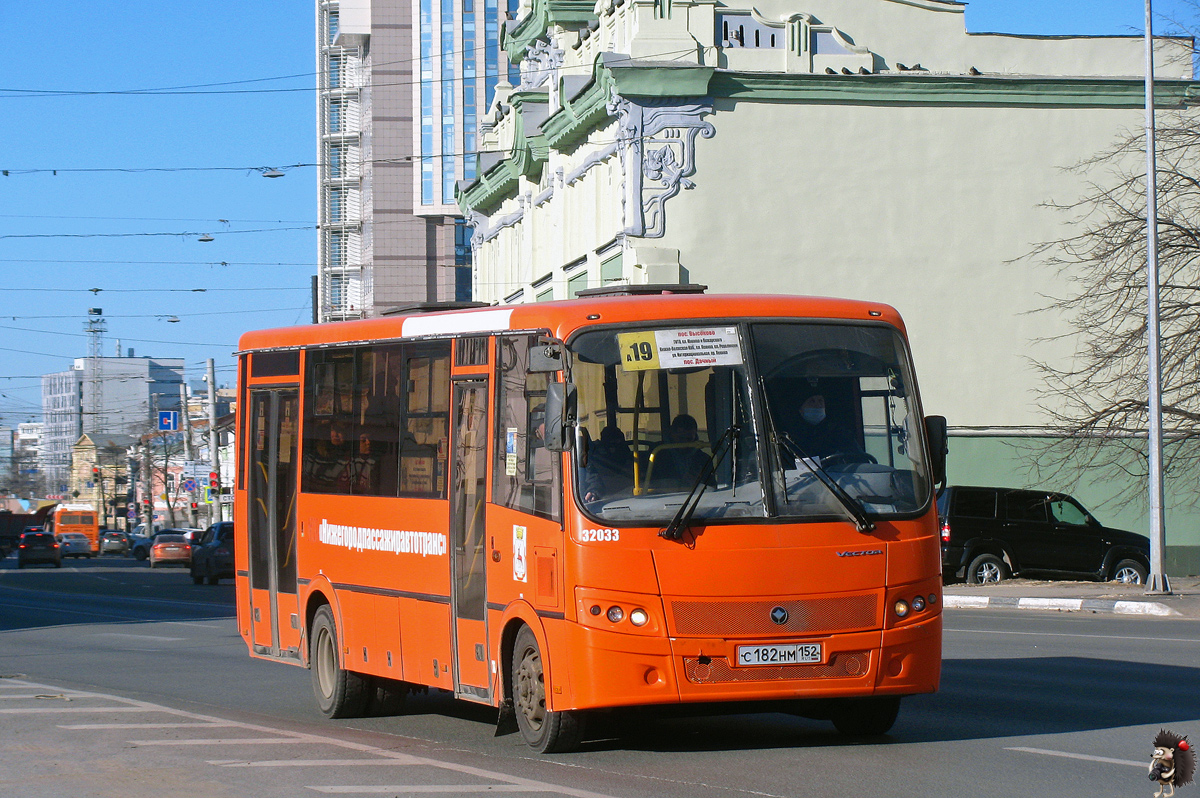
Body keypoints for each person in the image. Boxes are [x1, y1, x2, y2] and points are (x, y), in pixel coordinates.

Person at [790, 394, 861, 462]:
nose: (818, 405)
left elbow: (859, 459)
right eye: (812, 401)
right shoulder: (791, 437)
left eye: (820, 401)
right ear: (801, 409)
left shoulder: (839, 432)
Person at [649, 414, 712, 490]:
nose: (685, 443)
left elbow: (712, 487)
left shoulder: (704, 459)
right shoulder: (656, 453)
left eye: (689, 439)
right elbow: (650, 483)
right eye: (681, 438)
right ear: (672, 434)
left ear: (695, 435)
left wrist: (699, 482)